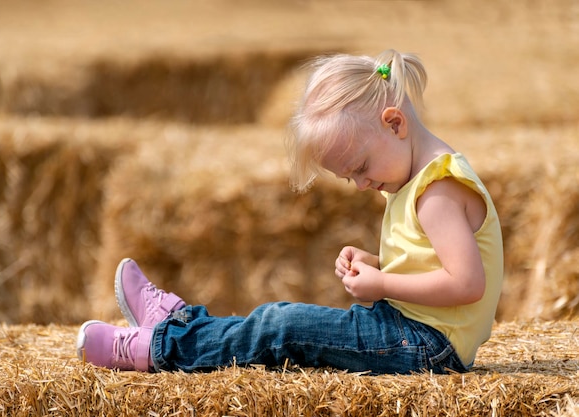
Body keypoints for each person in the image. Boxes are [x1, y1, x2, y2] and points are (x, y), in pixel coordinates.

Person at [76, 49, 504, 374]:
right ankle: (181, 322)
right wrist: (377, 265)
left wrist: (383, 283)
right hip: (410, 331)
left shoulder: (437, 191)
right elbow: (436, 265)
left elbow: (467, 284)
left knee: (282, 326)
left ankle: (158, 349)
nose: (360, 184)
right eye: (348, 176)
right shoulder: (416, 177)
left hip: (427, 348)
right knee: (276, 322)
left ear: (395, 124)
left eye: (360, 168)